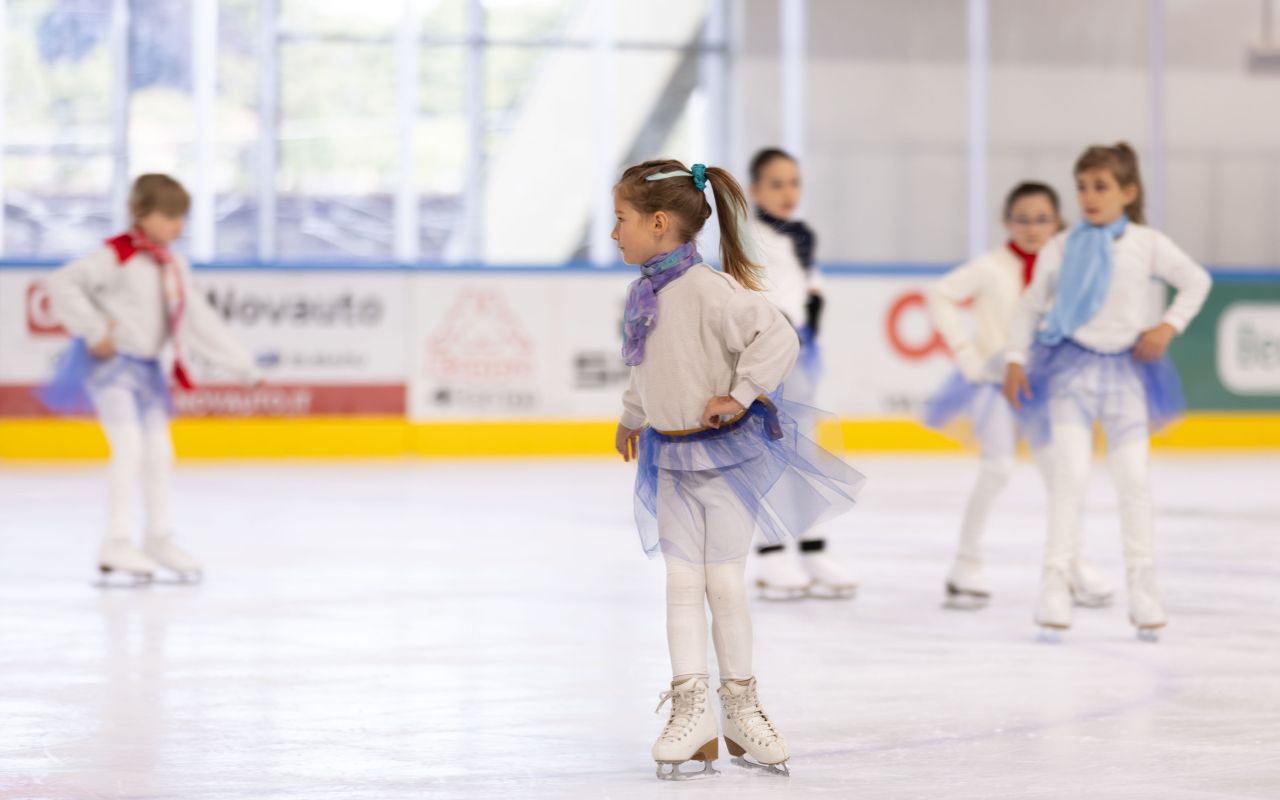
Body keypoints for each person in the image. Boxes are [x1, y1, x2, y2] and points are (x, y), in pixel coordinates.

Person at [612, 159, 865, 778]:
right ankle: (691, 709)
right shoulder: (644, 291)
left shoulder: (712, 290)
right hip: (668, 457)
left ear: (660, 222)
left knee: (723, 584)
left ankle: (741, 709)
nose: (614, 233)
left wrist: (743, 394)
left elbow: (779, 337)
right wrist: (632, 414)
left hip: (723, 458)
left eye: (621, 220)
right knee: (679, 583)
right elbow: (646, 365)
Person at [1003, 144, 1212, 641]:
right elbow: (1030, 306)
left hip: (1126, 376)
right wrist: (1014, 359)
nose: (1089, 196)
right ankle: (1054, 583)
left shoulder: (1146, 243)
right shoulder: (1062, 244)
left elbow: (1196, 281)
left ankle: (1145, 589)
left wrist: (1167, 327)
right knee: (1070, 478)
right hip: (1071, 373)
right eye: (1082, 186)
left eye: (1101, 186)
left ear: (1128, 192)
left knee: (1133, 482)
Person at [42, 174, 262, 583]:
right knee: (129, 450)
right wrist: (93, 329)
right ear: (141, 214)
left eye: (182, 218)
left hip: (146, 371)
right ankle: (115, 540)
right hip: (112, 370)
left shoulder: (173, 264)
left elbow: (198, 320)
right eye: (169, 216)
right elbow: (62, 283)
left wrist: (242, 364)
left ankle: (158, 537)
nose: (178, 226)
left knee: (160, 453)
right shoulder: (117, 255)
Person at [924, 182, 1112, 609]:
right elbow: (941, 294)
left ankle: (1072, 564)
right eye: (1023, 219)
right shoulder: (991, 266)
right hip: (995, 383)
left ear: (1057, 222)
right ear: (1007, 222)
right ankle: (965, 564)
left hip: (1044, 387)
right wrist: (968, 354)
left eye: (1042, 219)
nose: (1032, 228)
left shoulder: (1065, 267)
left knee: (1062, 475)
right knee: (997, 470)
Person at [746, 147, 857, 600]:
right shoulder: (748, 236)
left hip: (801, 354)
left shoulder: (802, 236)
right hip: (765, 354)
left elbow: (811, 290)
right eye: (776, 183)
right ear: (755, 191)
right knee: (768, 453)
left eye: (794, 182)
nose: (788, 192)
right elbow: (750, 296)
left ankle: (811, 548)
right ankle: (771, 554)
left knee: (805, 451)